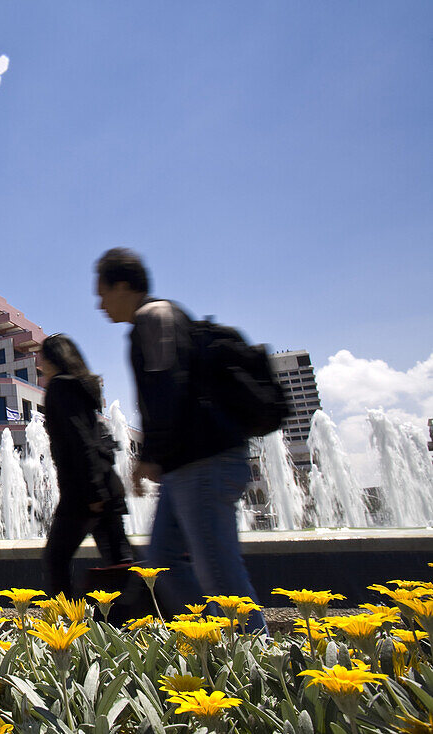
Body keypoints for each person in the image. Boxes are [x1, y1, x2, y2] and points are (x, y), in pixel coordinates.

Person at [95, 247, 267, 632]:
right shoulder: (160, 318)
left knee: (220, 576)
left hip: (203, 462)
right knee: (165, 561)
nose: (99, 304)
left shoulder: (152, 318)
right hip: (190, 465)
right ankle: (212, 639)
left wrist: (152, 454)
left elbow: (168, 387)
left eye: (102, 292)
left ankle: (257, 661)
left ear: (123, 285)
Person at [39, 334, 135, 598]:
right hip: (105, 485)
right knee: (121, 561)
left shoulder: (59, 388)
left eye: (42, 355)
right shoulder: (79, 388)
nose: (39, 361)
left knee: (55, 559)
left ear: (53, 358)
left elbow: (80, 441)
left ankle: (70, 625)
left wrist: (94, 494)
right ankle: (140, 622)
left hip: (84, 493)